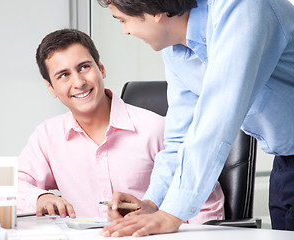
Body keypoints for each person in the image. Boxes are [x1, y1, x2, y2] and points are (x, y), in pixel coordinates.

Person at [96, 0, 294, 237]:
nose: (125, 31)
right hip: (285, 162)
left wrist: (172, 214)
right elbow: (180, 138)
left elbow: (217, 118)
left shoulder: (242, 7)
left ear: (154, 11)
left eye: (123, 20)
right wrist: (153, 203)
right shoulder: (176, 50)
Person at [17, 29, 225, 221]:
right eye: (64, 75)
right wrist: (39, 198)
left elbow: (207, 206)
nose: (79, 82)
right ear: (51, 88)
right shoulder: (47, 137)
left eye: (84, 67)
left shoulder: (157, 130)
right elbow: (12, 187)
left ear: (101, 69)